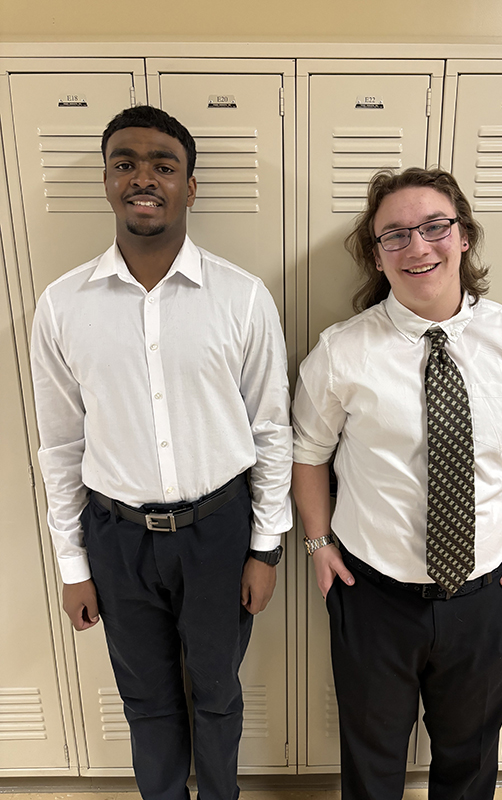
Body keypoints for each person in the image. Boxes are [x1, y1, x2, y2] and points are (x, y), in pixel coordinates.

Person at [31, 105, 292, 800]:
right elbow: (59, 443)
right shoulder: (63, 306)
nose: (143, 178)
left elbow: (271, 430)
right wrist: (71, 564)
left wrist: (265, 549)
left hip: (219, 533)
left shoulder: (241, 299)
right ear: (107, 181)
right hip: (116, 540)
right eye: (125, 163)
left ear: (190, 187)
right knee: (146, 701)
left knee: (216, 696)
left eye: (163, 165)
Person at [292, 167, 502, 800]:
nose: (418, 247)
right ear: (377, 254)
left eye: (434, 227)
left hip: (485, 592)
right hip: (372, 595)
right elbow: (307, 454)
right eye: (395, 235)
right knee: (372, 756)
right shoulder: (342, 353)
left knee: (469, 759)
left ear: (463, 237)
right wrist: (318, 543)